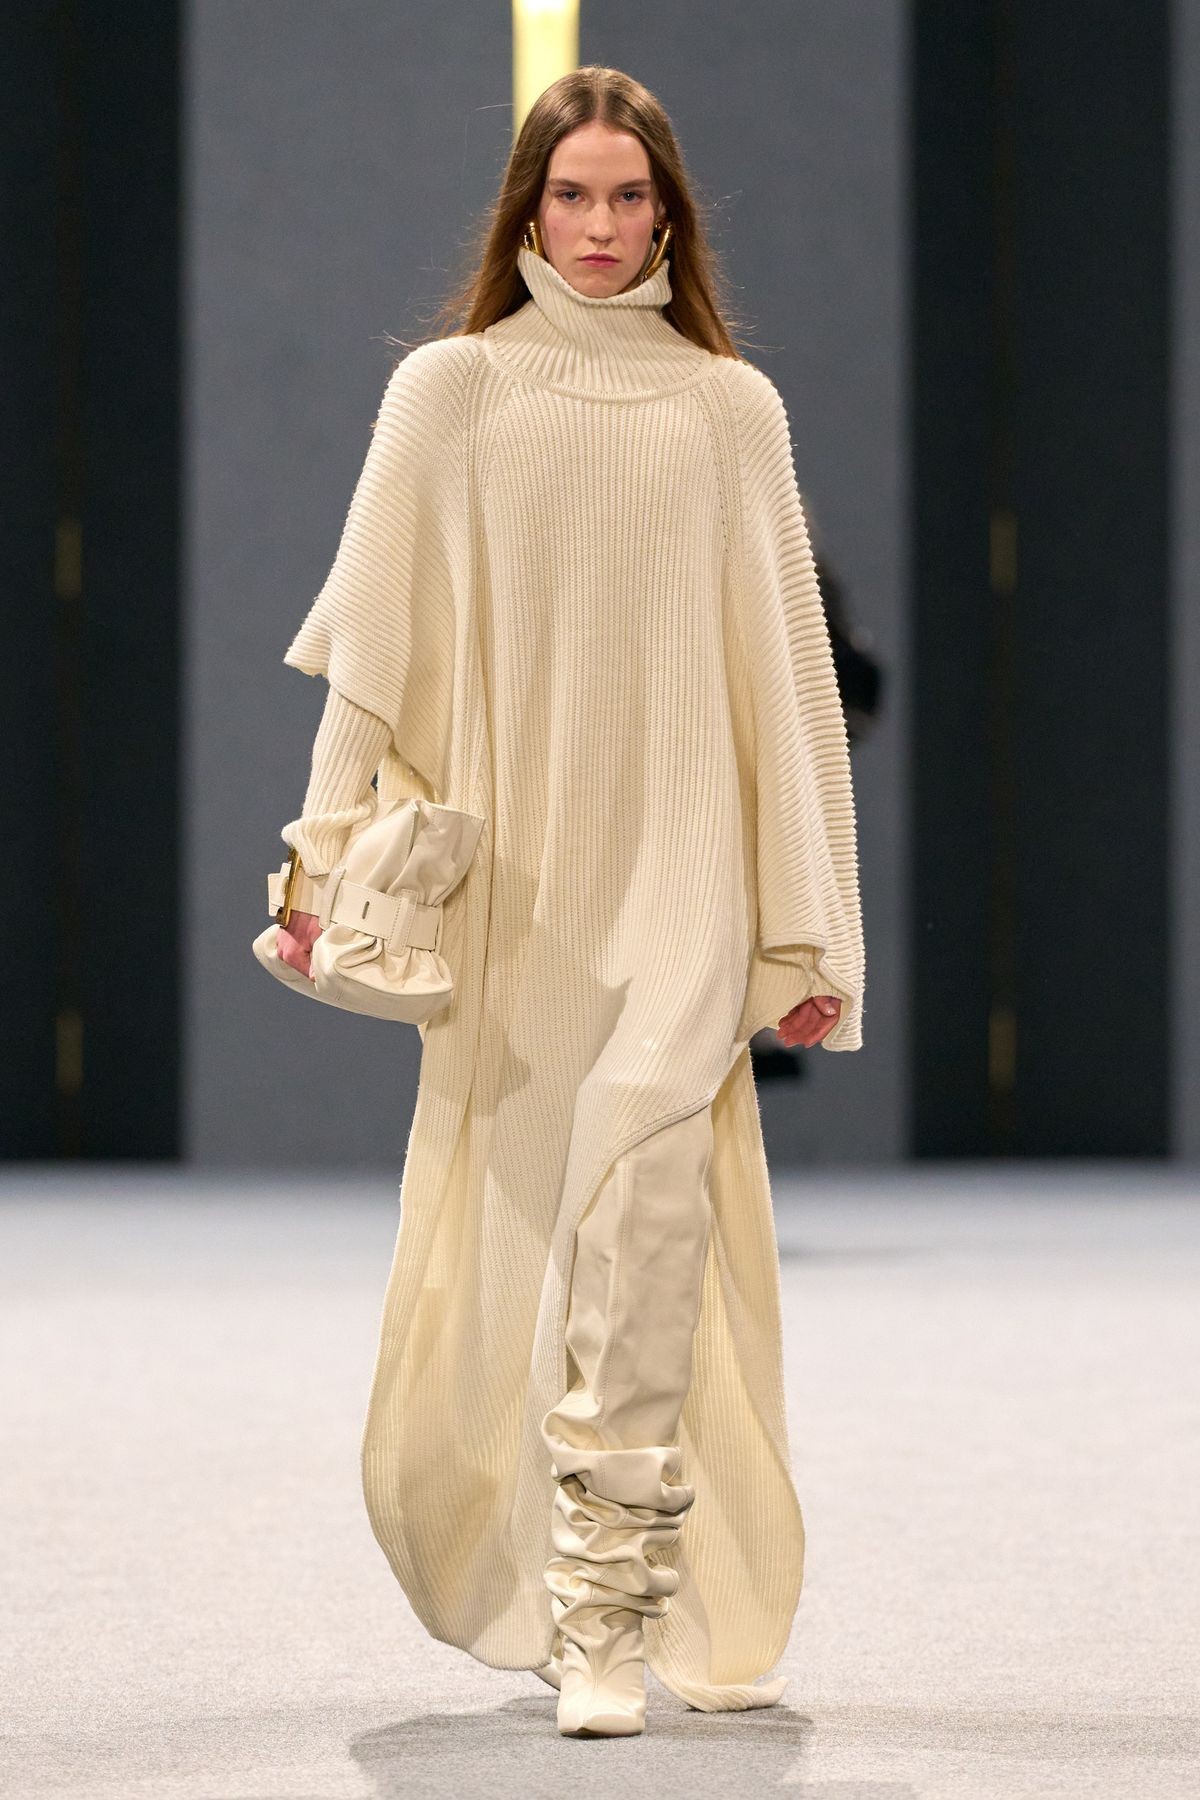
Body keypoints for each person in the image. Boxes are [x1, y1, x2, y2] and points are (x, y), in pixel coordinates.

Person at [271, 66, 865, 1738]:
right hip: (520, 900)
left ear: (668, 213)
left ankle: (611, 1611)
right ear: (526, 209)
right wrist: (319, 865)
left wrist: (812, 932)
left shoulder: (733, 410)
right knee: (531, 1239)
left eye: (628, 196)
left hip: (684, 877)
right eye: (571, 195)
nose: (600, 227)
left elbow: (790, 688)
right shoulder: (450, 392)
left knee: (647, 1229)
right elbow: (372, 657)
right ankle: (540, 1576)